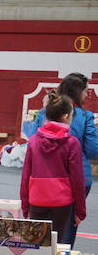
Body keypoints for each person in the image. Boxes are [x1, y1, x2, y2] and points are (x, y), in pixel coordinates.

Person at [35, 73, 98, 246]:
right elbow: (93, 150)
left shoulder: (43, 113)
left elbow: (33, 144)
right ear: (78, 92)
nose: (86, 95)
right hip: (75, 178)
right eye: (85, 91)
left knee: (40, 228)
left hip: (43, 178)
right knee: (67, 229)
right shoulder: (85, 117)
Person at [20, 92, 86, 240]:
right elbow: (77, 179)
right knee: (57, 242)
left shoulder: (34, 141)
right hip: (61, 200)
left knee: (36, 242)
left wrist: (25, 206)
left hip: (36, 199)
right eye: (71, 115)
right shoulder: (72, 142)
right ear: (65, 116)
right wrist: (80, 211)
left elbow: (26, 175)